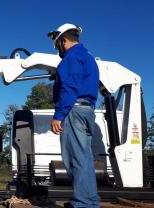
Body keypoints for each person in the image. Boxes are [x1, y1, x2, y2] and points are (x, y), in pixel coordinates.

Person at [47, 23, 101, 208]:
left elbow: (70, 88)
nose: (59, 51)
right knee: (84, 158)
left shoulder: (71, 57)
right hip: (87, 110)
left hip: (73, 110)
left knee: (74, 159)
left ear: (63, 40)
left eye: (58, 46)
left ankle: (83, 203)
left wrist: (59, 115)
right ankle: (90, 201)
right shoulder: (88, 57)